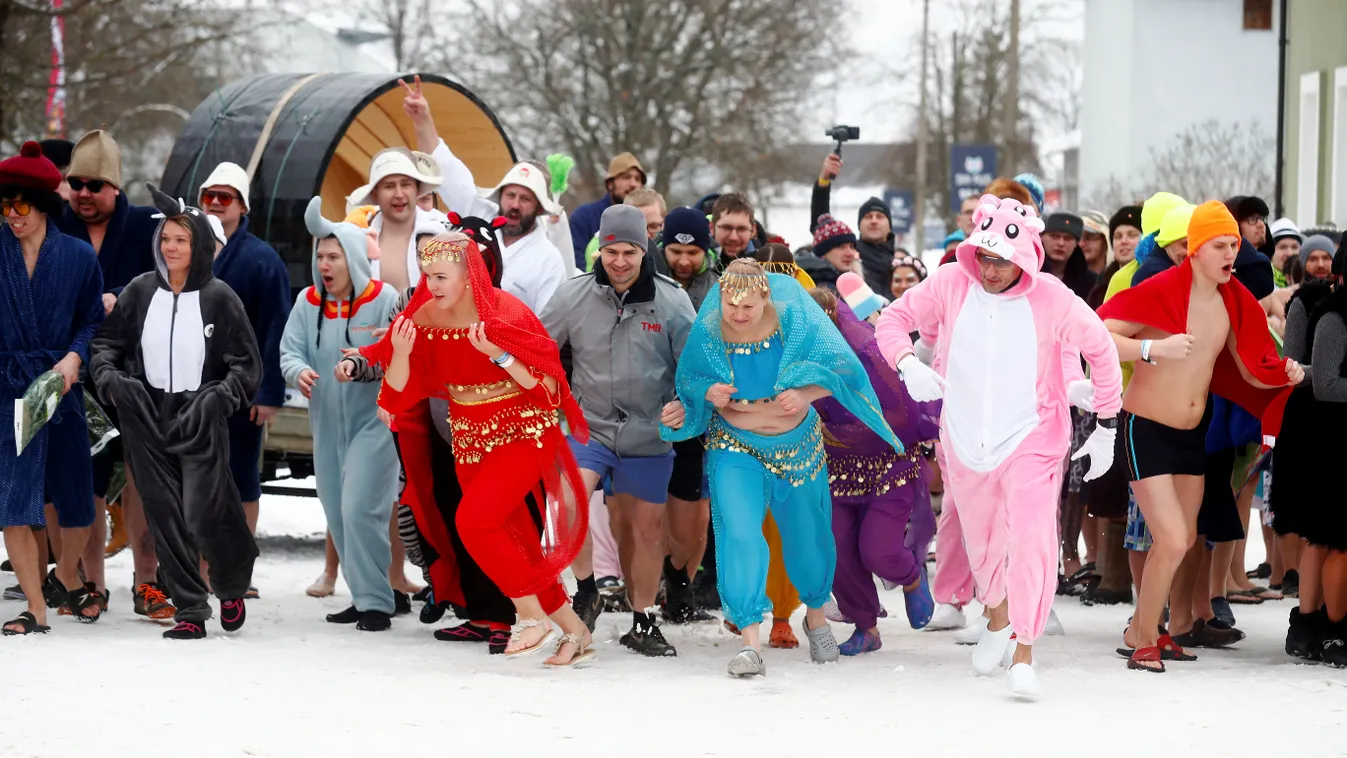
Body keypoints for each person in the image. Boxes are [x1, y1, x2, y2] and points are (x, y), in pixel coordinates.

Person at [876, 194, 1124, 699]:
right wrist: (908, 363)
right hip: (965, 438)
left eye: (1002, 259)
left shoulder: (1054, 297)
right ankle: (996, 617)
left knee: (1031, 540)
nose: (990, 269)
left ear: (1025, 255)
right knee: (984, 549)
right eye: (984, 257)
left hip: (1032, 435)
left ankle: (1025, 653)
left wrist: (1106, 424)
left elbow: (1100, 350)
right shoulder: (949, 283)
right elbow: (890, 321)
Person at [358, 231, 594, 667]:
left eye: (442, 276)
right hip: (469, 437)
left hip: (523, 430)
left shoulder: (507, 312)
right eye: (427, 276)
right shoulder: (426, 316)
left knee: (474, 521)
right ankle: (575, 632)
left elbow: (548, 391)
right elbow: (394, 395)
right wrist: (404, 353)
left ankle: (528, 615)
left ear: (470, 276)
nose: (432, 286)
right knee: (517, 541)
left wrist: (502, 356)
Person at [661, 259, 901, 677]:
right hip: (735, 444)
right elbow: (692, 382)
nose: (736, 315)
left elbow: (842, 370)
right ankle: (751, 640)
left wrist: (807, 393)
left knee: (807, 535)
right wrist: (700, 397)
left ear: (765, 296)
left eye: (747, 308)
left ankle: (815, 614)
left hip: (798, 445)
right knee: (738, 532)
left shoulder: (795, 316)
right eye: (729, 305)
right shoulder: (711, 326)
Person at [1098, 200, 1302, 672]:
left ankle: (1140, 629)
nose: (1232, 252)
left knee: (1184, 539)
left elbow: (1252, 369)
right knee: (1170, 538)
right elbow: (1098, 333)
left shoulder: (1233, 301)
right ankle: (1144, 640)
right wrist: (1152, 347)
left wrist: (1283, 373)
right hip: (1143, 428)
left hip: (1192, 435)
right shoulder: (1162, 289)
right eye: (1220, 245)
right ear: (1194, 249)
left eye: (1235, 244)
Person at [90, 185, 262, 640]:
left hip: (200, 417)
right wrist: (115, 382)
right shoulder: (140, 291)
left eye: (181, 240)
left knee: (205, 510)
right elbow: (106, 345)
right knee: (165, 514)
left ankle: (229, 586)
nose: (171, 247)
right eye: (166, 238)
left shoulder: (221, 297)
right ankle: (190, 608)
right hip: (146, 415)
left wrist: (217, 398)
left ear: (199, 246)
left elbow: (247, 366)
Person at [541, 205, 697, 655]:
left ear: (643, 249)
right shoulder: (573, 296)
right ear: (600, 250)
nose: (620, 261)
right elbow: (539, 349)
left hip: (649, 434)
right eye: (611, 251)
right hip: (589, 427)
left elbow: (694, 369)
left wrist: (683, 405)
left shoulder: (671, 301)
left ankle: (643, 621)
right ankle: (587, 589)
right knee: (567, 503)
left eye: (629, 251)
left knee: (647, 531)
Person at [280, 198, 402, 631]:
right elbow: (289, 351)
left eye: (333, 256)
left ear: (352, 258)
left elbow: (399, 355)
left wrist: (368, 359)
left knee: (359, 509)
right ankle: (368, 593)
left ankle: (376, 604)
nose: (325, 264)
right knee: (336, 510)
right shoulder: (306, 302)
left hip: (376, 424)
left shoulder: (385, 299)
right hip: (326, 427)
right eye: (320, 256)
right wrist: (299, 372)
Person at [56, 129, 165, 615]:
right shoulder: (55, 224)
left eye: (93, 185)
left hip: (140, 374)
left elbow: (173, 283)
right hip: (78, 375)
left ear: (116, 187)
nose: (82, 193)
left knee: (143, 476)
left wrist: (124, 294)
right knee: (88, 480)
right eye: (75, 183)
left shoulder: (147, 227)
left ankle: (147, 581)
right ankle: (91, 584)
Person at [0, 142, 105, 634]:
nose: (12, 215)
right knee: (15, 501)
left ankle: (65, 574)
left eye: (20, 204)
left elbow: (89, 320)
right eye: (4, 204)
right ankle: (36, 607)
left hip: (60, 387)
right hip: (9, 388)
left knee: (77, 498)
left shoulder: (79, 257)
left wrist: (73, 357)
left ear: (43, 204)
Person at [807, 287, 937, 655]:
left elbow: (902, 415)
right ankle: (867, 627)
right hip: (836, 468)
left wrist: (841, 431)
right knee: (837, 548)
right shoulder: (797, 355)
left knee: (878, 551)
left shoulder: (869, 350)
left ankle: (911, 578)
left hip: (888, 464)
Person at [199, 162, 292, 591]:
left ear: (242, 206)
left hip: (242, 388)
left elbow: (277, 326)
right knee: (194, 476)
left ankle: (237, 568)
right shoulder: (183, 247)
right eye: (209, 196)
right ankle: (199, 568)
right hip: (189, 387)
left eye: (226, 197)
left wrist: (269, 390)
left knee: (241, 478)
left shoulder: (261, 259)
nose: (216, 204)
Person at [401, 77, 568, 312]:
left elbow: (547, 328)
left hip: (509, 347)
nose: (515, 205)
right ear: (500, 195)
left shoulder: (549, 260)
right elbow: (447, 169)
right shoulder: (477, 215)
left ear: (540, 208)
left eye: (526, 198)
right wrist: (422, 120)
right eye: (511, 194)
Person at [809, 153, 898, 296]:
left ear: (890, 226)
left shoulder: (900, 261)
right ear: (859, 225)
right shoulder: (850, 258)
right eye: (868, 217)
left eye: (880, 216)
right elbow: (821, 224)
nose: (874, 220)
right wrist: (823, 181)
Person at [569, 153, 647, 269]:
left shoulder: (649, 218)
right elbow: (576, 264)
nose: (633, 184)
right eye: (626, 177)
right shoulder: (584, 216)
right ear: (610, 184)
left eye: (638, 179)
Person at [795, 214, 860, 291]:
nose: (850, 253)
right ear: (823, 252)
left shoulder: (844, 282)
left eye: (852, 247)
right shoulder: (823, 289)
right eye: (841, 246)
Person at [711, 193, 757, 266]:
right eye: (726, 228)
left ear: (753, 231)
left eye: (741, 229)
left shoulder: (768, 266)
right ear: (712, 228)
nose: (733, 237)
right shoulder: (694, 266)